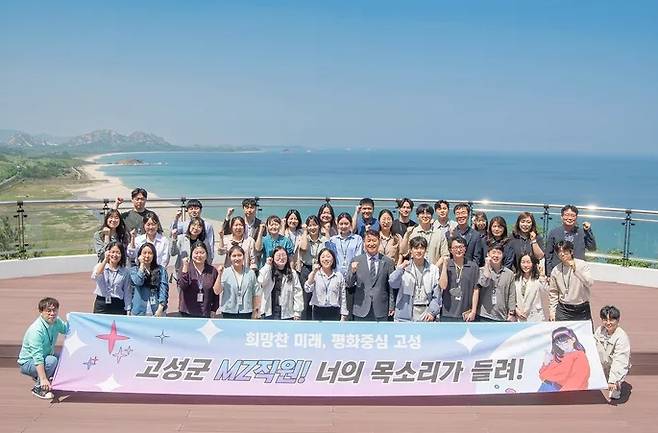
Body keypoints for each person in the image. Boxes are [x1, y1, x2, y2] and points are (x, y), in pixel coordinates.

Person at [17, 297, 67, 400]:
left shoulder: (56, 321)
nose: (52, 314)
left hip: (46, 356)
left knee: (64, 357)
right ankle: (39, 387)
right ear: (41, 311)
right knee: (52, 361)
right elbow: (37, 357)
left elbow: (67, 330)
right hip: (28, 362)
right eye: (48, 311)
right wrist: (43, 379)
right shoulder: (36, 330)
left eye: (54, 310)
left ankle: (42, 377)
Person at [346, 229, 395, 321]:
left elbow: (391, 287)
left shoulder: (388, 262)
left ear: (379, 242)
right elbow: (349, 284)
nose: (371, 244)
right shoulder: (356, 260)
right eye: (368, 241)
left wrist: (391, 306)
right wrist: (352, 272)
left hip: (381, 309)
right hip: (361, 308)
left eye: (374, 240)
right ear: (364, 243)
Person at [389, 236, 442, 322]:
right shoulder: (404, 268)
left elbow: (437, 295)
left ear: (426, 250)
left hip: (426, 313)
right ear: (410, 250)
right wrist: (400, 268)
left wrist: (432, 312)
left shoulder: (433, 269)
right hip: (405, 314)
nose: (419, 251)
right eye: (416, 248)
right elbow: (392, 283)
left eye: (421, 248)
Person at [548, 240, 594, 321]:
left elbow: (589, 283)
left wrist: (576, 270)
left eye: (565, 251)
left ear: (571, 251)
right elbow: (553, 292)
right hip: (563, 309)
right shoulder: (556, 270)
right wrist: (552, 311)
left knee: (584, 333)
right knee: (561, 333)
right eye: (559, 252)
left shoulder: (582, 265)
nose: (562, 254)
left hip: (582, 308)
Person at [545, 205, 596, 276]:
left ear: (576, 217)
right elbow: (548, 255)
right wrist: (548, 274)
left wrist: (588, 231)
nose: (569, 218)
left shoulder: (582, 232)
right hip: (558, 271)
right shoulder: (554, 233)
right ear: (561, 217)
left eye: (573, 216)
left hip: (577, 270)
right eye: (566, 215)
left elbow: (592, 248)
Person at [594, 305, 631, 400]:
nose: (608, 323)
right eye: (605, 320)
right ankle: (603, 376)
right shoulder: (599, 330)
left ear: (618, 320)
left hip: (615, 364)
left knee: (614, 394)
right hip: (603, 363)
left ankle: (617, 383)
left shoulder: (621, 337)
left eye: (611, 320)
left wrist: (613, 380)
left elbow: (620, 360)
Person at [439, 237, 480, 322]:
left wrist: (473, 311)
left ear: (465, 249)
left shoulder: (473, 266)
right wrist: (444, 266)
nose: (458, 250)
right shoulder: (446, 265)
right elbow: (442, 286)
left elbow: (476, 290)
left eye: (461, 247)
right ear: (450, 250)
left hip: (466, 314)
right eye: (455, 247)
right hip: (447, 312)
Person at [539, 327, 590, 392]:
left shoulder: (579, 356)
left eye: (566, 342)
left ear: (573, 339)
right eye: (559, 344)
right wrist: (546, 363)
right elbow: (542, 375)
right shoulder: (558, 356)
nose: (563, 346)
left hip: (565, 393)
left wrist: (561, 395)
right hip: (549, 388)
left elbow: (578, 380)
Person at [258, 247, 304, 320]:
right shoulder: (268, 271)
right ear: (273, 257)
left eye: (284, 255)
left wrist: (297, 312)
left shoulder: (293, 273)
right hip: (269, 311)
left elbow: (297, 293)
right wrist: (267, 265)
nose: (281, 258)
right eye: (278, 255)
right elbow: (261, 281)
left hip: (287, 313)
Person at [217, 245, 261, 319]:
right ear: (229, 257)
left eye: (239, 255)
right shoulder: (225, 272)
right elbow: (217, 291)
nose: (237, 258)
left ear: (243, 257)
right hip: (228, 311)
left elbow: (256, 293)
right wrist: (219, 275)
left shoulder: (250, 273)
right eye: (234, 256)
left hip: (246, 311)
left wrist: (255, 310)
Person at [177, 242, 220, 318]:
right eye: (196, 253)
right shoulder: (185, 268)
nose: (199, 255)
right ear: (191, 254)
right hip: (187, 312)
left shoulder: (212, 271)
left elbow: (215, 293)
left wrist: (214, 309)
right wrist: (185, 269)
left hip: (205, 312)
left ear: (206, 254)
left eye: (202, 253)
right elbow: (183, 286)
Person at [304, 248, 349, 321]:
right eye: (323, 257)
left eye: (328, 256)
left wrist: (343, 314)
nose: (325, 259)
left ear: (333, 259)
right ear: (319, 260)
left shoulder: (338, 276)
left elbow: (342, 296)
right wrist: (313, 272)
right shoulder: (315, 274)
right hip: (318, 311)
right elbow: (307, 289)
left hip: (334, 311)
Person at [475, 243, 516, 322]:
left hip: (501, 316)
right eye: (493, 252)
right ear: (488, 254)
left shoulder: (509, 273)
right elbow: (484, 283)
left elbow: (511, 294)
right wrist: (487, 265)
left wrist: (511, 312)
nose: (496, 256)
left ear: (503, 255)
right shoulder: (481, 271)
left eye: (499, 253)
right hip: (483, 315)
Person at [298, 215, 328, 319]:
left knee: (320, 298)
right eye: (310, 225)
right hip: (307, 269)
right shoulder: (303, 238)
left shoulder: (324, 239)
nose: (312, 228)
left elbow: (328, 253)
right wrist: (305, 231)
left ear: (319, 226)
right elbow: (303, 248)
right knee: (306, 299)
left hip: (321, 270)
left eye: (314, 225)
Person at [91, 241, 132, 315]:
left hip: (118, 304)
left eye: (118, 252)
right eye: (112, 252)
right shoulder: (100, 266)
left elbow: (127, 291)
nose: (115, 255)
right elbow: (96, 276)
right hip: (102, 303)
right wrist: (105, 260)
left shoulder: (125, 271)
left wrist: (128, 308)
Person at [130, 243, 169, 316]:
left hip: (156, 310)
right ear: (140, 255)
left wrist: (160, 308)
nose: (147, 256)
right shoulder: (133, 270)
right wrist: (141, 265)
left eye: (150, 253)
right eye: (144, 253)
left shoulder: (161, 270)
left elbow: (163, 289)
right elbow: (138, 282)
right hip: (138, 311)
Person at [170, 217, 210, 282]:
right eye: (194, 225)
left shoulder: (204, 241)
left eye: (199, 226)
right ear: (189, 226)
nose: (196, 228)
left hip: (199, 273)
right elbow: (172, 253)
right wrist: (174, 239)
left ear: (202, 229)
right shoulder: (181, 238)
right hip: (182, 272)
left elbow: (208, 258)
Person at [326, 212, 364, 280]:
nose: (343, 226)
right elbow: (329, 256)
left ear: (351, 224)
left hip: (353, 276)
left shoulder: (357, 239)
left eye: (346, 223)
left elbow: (358, 257)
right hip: (336, 276)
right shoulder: (333, 240)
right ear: (337, 225)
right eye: (341, 224)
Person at [514, 253, 547, 322]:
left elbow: (545, 294)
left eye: (528, 262)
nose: (525, 265)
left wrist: (542, 277)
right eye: (523, 262)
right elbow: (511, 297)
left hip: (535, 316)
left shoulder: (539, 279)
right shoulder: (515, 279)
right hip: (519, 316)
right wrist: (516, 310)